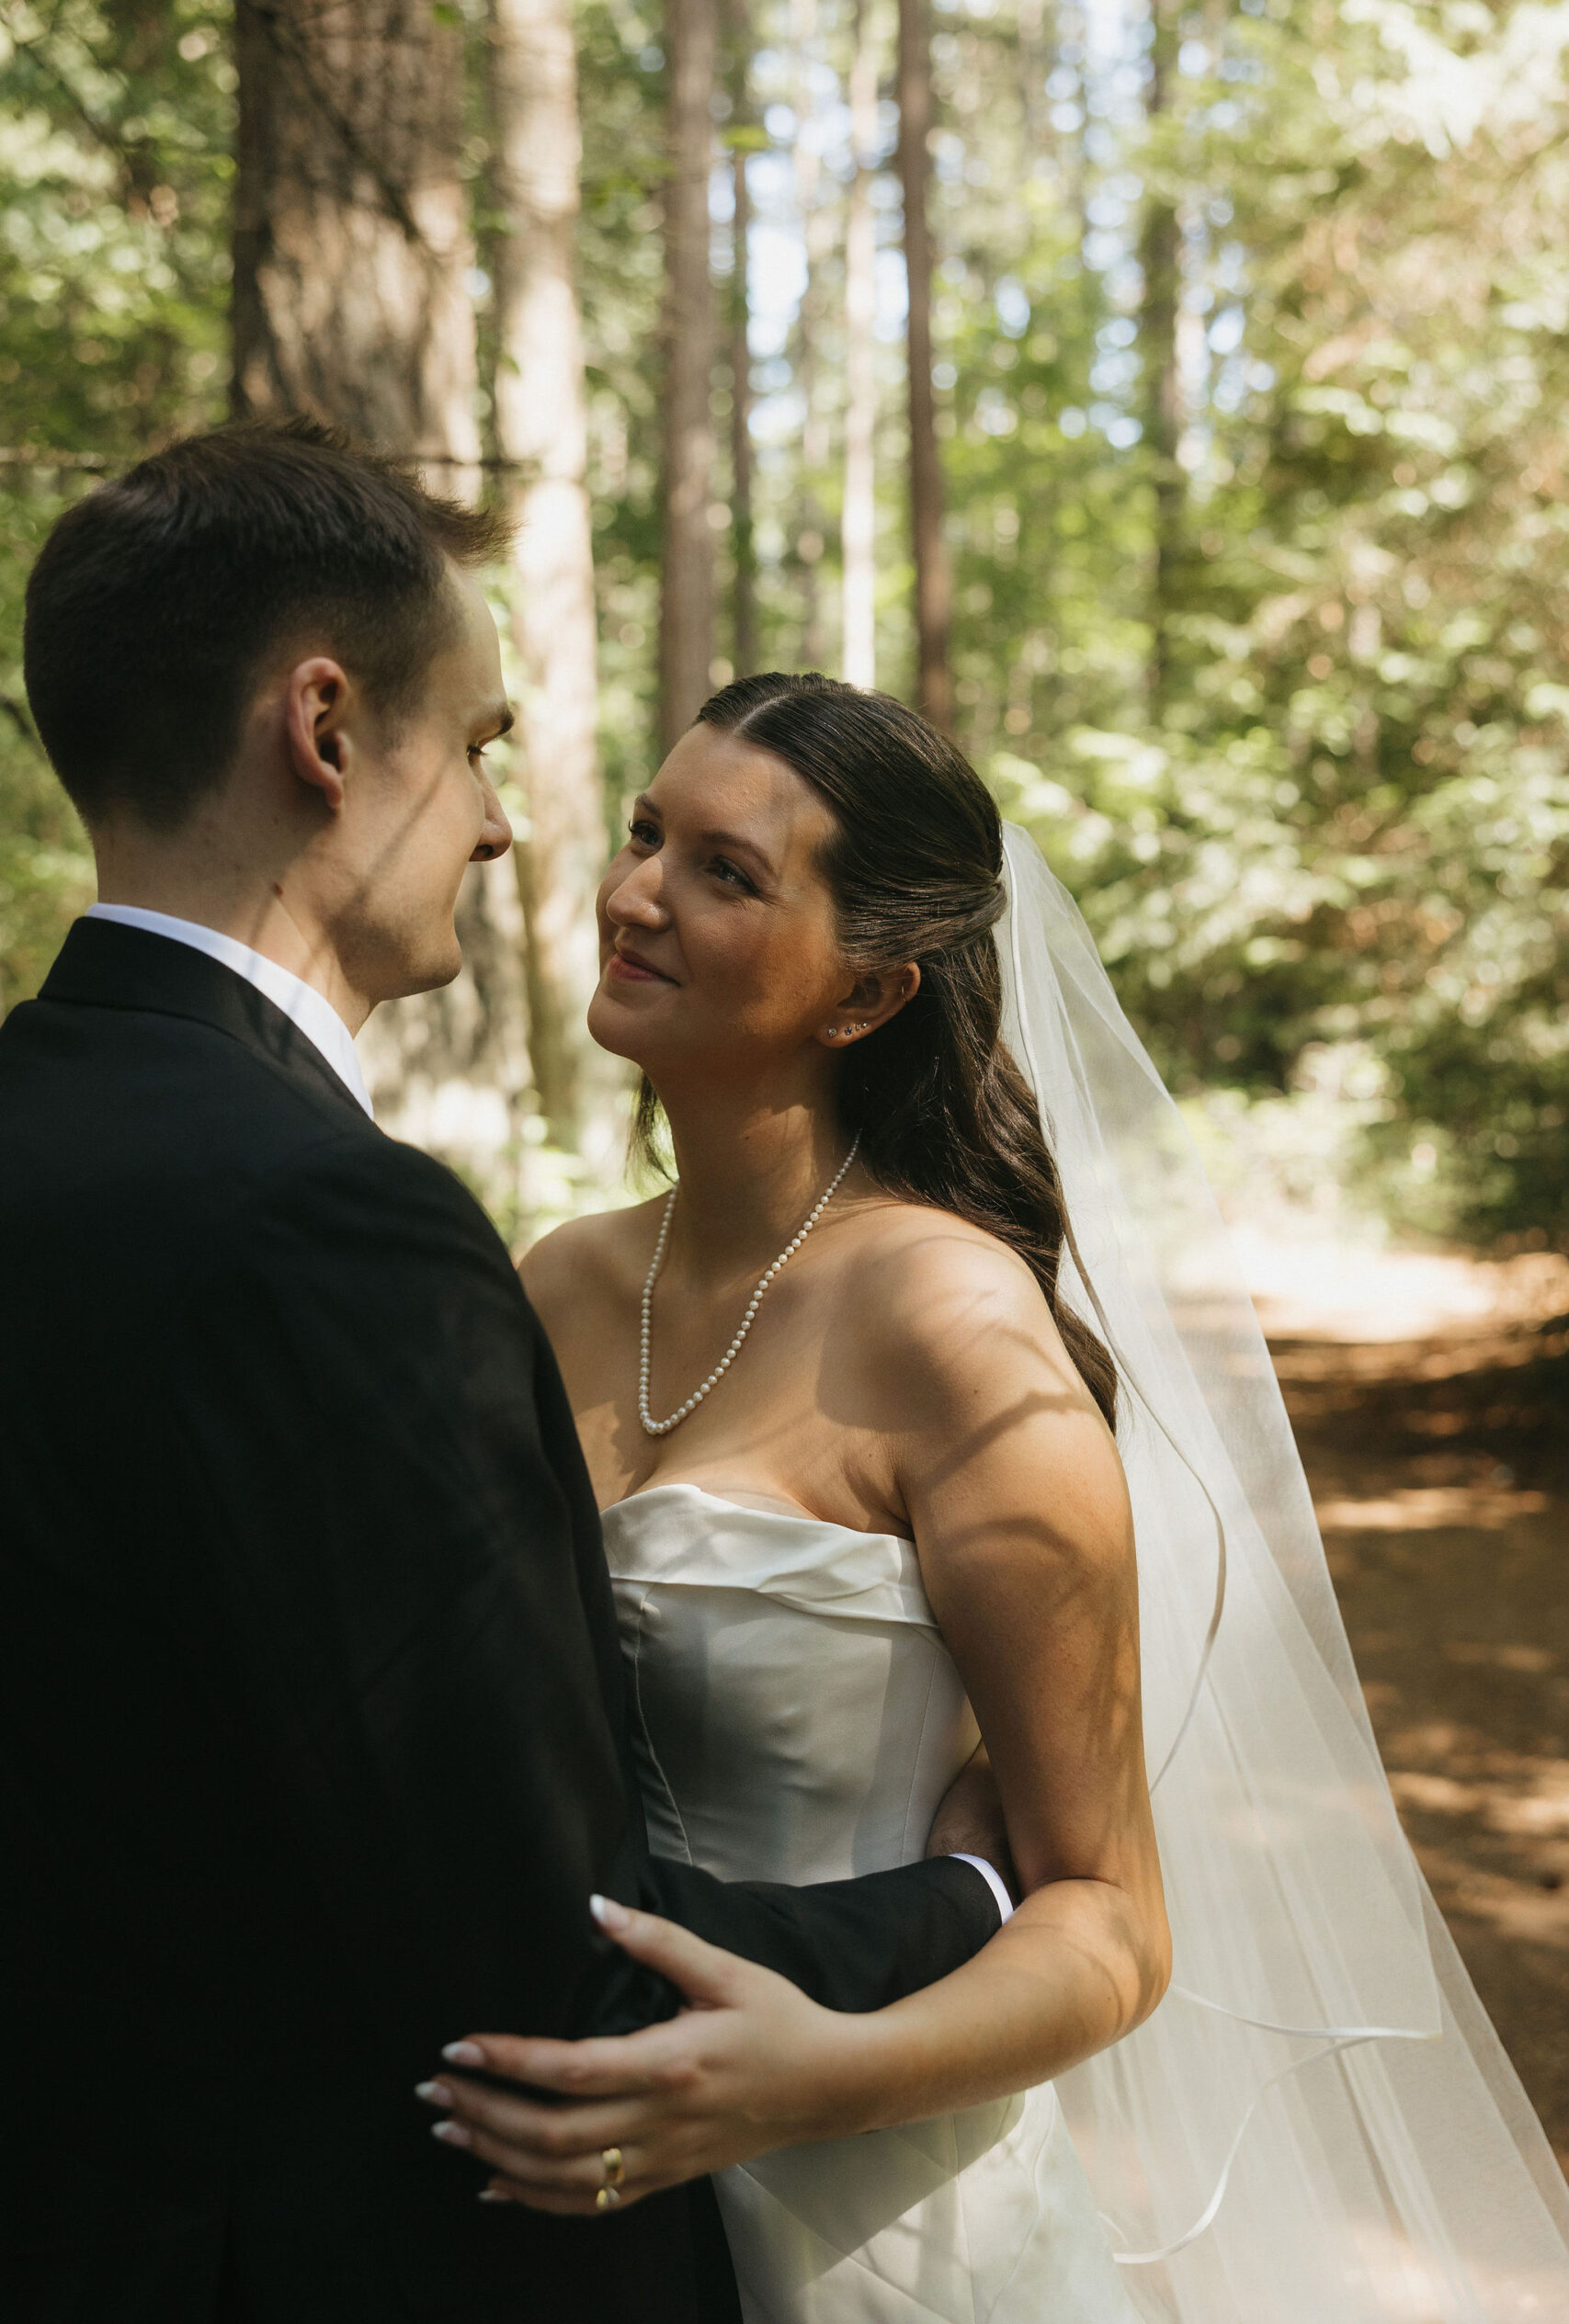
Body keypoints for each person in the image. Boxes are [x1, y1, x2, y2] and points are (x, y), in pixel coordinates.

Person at [0, 431, 1014, 2324]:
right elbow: (561, 1990)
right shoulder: (335, 1228)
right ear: (323, 725)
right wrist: (961, 1900)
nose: (503, 825)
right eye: (474, 744)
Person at [426, 676, 1569, 2323]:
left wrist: (809, 2078)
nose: (633, 895)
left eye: (726, 874)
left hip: (877, 2206)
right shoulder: (557, 1283)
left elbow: (1111, 1918)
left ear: (868, 991)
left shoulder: (951, 1328)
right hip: (580, 2197)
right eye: (644, 836)